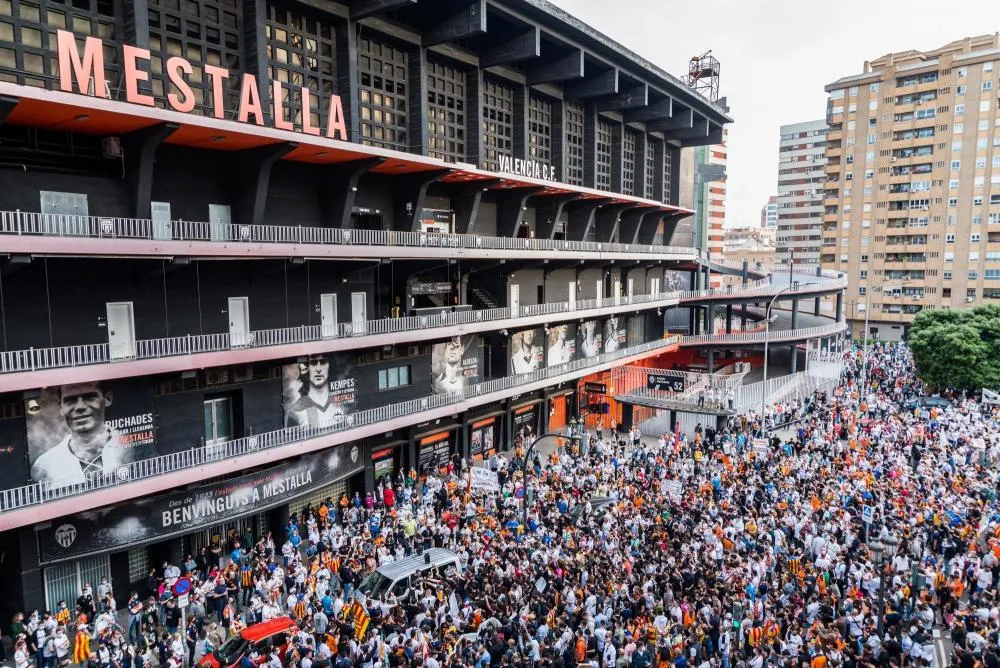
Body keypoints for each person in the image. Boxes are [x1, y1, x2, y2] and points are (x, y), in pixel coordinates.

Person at [30, 382, 135, 485]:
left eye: (89, 397)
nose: (80, 407)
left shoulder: (132, 446)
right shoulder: (44, 466)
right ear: (61, 408)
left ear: (107, 399)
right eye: (70, 401)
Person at [285, 355, 347, 428]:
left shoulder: (339, 402)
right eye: (313, 363)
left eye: (323, 363)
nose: (318, 369)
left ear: (330, 367)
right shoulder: (296, 410)